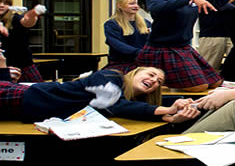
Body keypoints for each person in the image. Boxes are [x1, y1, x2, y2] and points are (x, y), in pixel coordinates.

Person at [0, 64, 198, 124]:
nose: (154, 81)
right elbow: (114, 104)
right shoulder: (111, 76)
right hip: (18, 96)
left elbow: (127, 108)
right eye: (151, 74)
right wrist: (169, 110)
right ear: (136, 72)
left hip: (23, 111)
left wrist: (168, 115)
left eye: (159, 82)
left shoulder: (128, 100)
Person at [103, 0, 152, 73]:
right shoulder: (112, 24)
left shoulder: (146, 23)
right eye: (131, 4)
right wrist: (139, 52)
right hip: (121, 63)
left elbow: (152, 41)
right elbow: (117, 45)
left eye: (137, 3)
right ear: (120, 6)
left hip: (144, 63)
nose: (136, 6)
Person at [0, 0, 43, 83]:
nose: (2, 5)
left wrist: (32, 14)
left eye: (5, 3)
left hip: (22, 65)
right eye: (0, 2)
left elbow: (26, 22)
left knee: (35, 93)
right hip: (3, 67)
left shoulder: (14, 18)